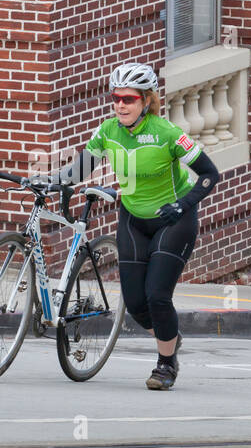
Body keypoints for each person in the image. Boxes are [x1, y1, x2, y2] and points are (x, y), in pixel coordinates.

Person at [58, 63, 220, 390]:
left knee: (157, 295)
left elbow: (209, 174)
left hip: (173, 220)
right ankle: (169, 337)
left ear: (146, 100)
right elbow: (77, 172)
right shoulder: (107, 131)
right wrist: (45, 182)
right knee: (135, 303)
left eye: (128, 99)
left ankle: (165, 363)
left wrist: (183, 204)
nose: (120, 105)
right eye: (115, 98)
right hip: (133, 219)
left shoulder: (167, 133)